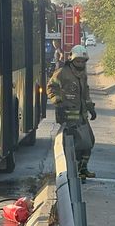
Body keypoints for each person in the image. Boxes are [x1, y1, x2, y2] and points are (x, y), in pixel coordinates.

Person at [47, 45, 97, 180]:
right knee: (78, 145)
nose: (80, 64)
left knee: (89, 142)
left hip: (82, 116)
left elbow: (85, 94)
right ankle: (76, 172)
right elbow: (51, 87)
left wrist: (90, 107)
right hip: (68, 116)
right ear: (72, 60)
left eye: (82, 61)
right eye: (78, 61)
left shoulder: (82, 75)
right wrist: (58, 102)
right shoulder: (62, 72)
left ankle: (83, 168)